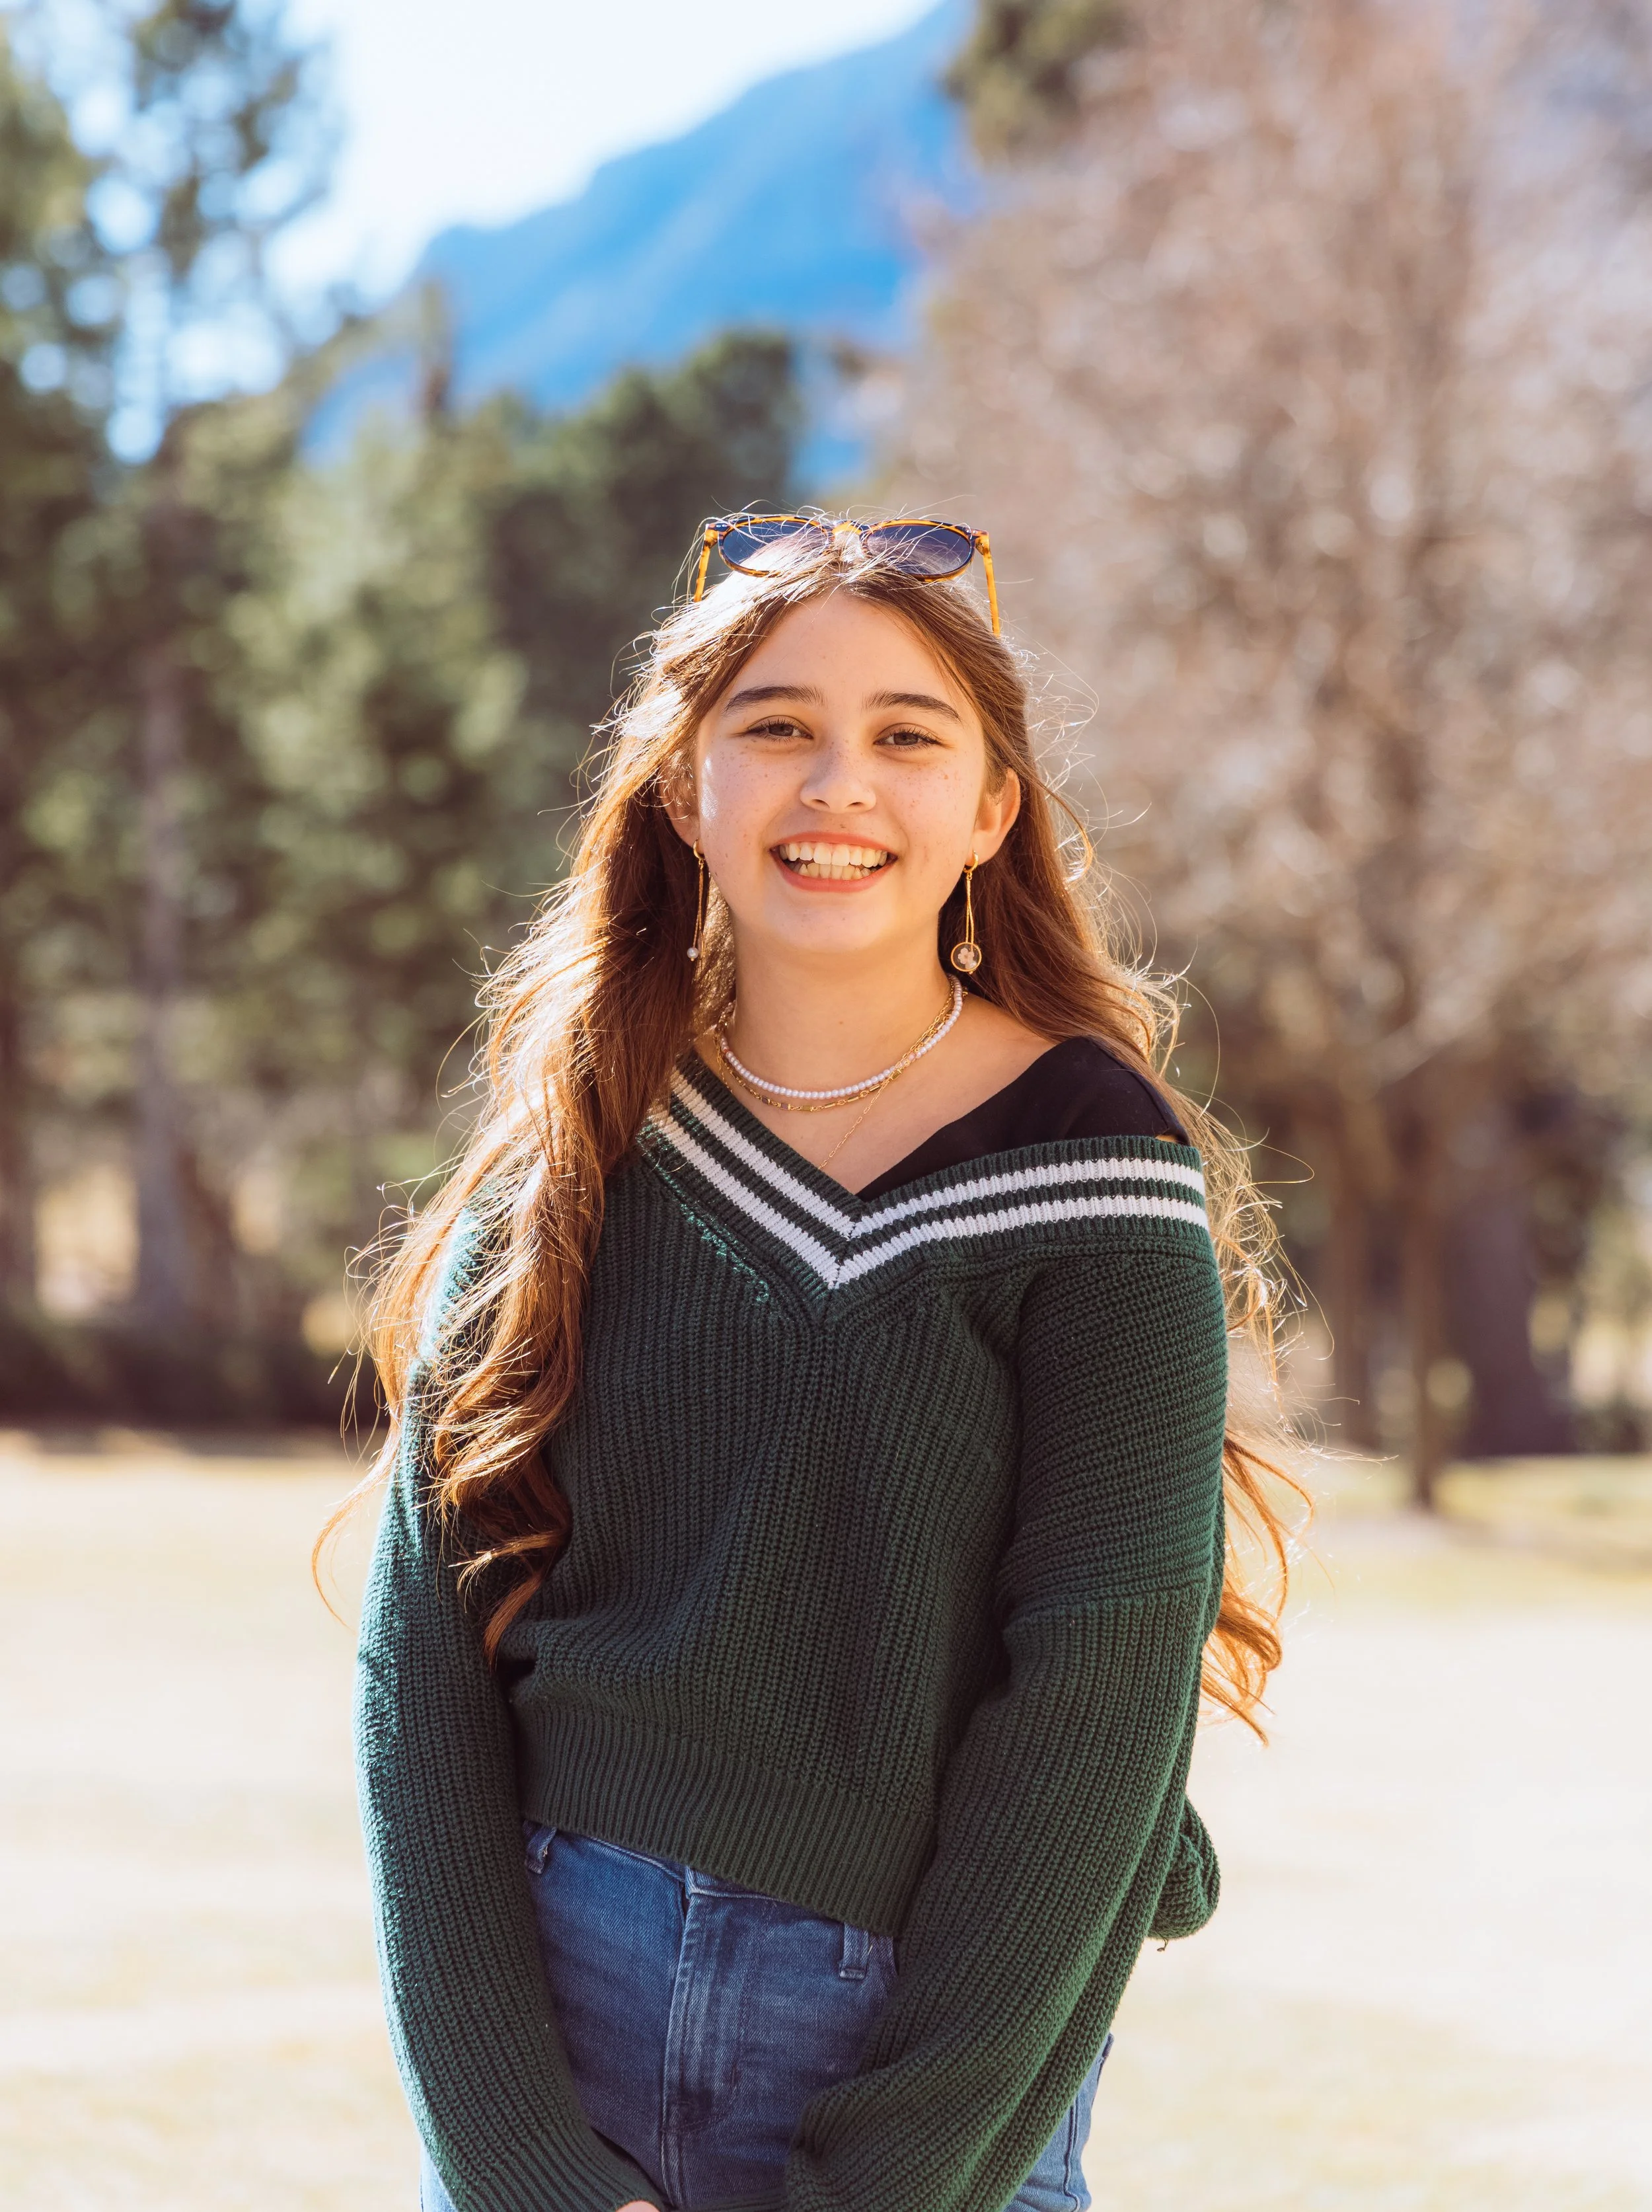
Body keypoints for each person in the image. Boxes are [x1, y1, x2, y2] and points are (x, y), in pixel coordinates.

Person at [346, 514, 1296, 2212]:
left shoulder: (1095, 1165)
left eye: (905, 734)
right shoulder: (581, 1142)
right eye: (775, 724)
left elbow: (1098, 1695)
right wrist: (517, 2162)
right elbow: (424, 1653)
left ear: (990, 807)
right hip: (562, 2013)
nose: (836, 782)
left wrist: (892, 2176)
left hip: (925, 2058)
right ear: (681, 785)